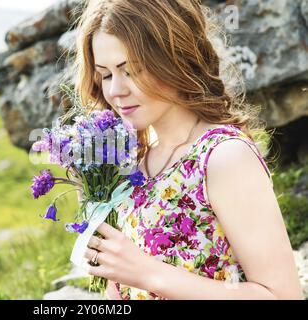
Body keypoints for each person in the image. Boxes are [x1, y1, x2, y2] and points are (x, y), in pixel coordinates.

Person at [69, 0, 303, 299]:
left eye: (132, 70)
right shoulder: (131, 165)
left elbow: (282, 295)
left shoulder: (223, 157)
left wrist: (148, 273)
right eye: (105, 74)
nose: (116, 90)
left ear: (174, 59)